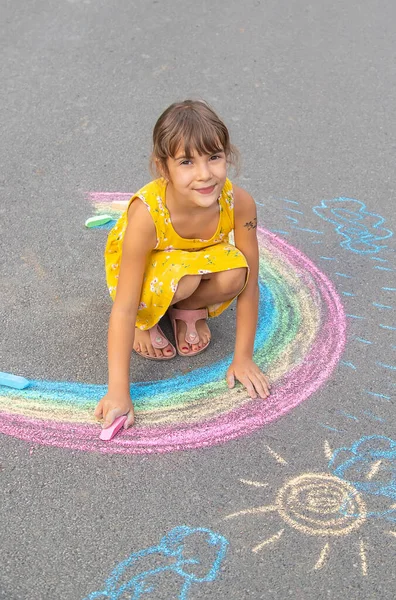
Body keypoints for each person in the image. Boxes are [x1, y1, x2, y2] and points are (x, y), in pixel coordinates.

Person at [94, 100, 271, 430]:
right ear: (164, 168)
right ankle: (147, 322)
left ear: (226, 156)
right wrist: (118, 391)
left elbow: (252, 285)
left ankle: (185, 309)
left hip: (190, 262)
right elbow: (124, 304)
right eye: (187, 161)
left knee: (239, 272)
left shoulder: (240, 203)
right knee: (182, 280)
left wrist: (243, 357)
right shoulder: (147, 215)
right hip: (147, 276)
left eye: (214, 157)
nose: (205, 174)